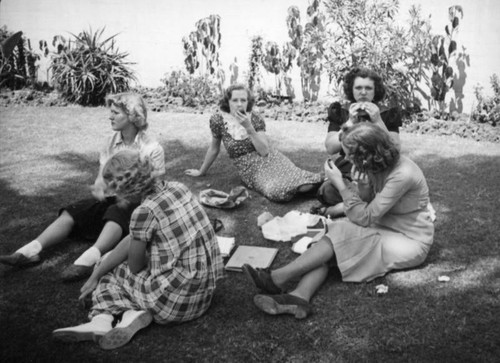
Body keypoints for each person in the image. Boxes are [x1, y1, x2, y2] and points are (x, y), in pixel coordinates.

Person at [243, 122, 434, 319]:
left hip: (409, 239)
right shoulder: (376, 164)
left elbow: (365, 216)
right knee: (333, 238)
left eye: (350, 155)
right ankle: (298, 297)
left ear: (368, 154)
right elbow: (366, 202)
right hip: (383, 225)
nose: (346, 159)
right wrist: (362, 183)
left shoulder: (403, 174)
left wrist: (340, 184)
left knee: (340, 234)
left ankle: (276, 278)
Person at [52, 150, 224, 350]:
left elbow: (134, 266)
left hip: (173, 305)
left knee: (109, 265)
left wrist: (97, 274)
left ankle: (101, 319)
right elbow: (133, 237)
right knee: (112, 261)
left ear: (125, 190)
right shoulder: (180, 188)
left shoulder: (144, 212)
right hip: (203, 297)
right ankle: (130, 316)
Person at [0, 93, 165, 282]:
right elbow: (102, 177)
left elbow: (156, 189)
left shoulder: (152, 147)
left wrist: (125, 196)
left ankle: (89, 259)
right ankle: (31, 251)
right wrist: (100, 187)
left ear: (132, 116)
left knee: (117, 211)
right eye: (110, 112)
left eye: (115, 113)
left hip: (141, 204)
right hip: (117, 196)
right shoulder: (110, 142)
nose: (109, 116)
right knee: (74, 211)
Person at [184, 84, 323, 202]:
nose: (239, 104)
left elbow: (264, 151)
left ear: (248, 102)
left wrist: (248, 127)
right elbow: (214, 148)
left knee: (300, 181)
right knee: (275, 191)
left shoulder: (255, 118)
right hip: (249, 169)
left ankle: (320, 184)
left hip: (270, 159)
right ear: (228, 102)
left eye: (243, 100)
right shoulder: (218, 120)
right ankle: (314, 188)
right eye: (235, 100)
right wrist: (201, 171)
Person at [314, 67, 402, 217]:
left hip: (378, 170)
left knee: (386, 188)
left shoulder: (387, 113)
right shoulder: (341, 111)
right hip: (349, 169)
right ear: (351, 90)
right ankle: (365, 201)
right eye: (358, 88)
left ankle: (344, 206)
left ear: (375, 91)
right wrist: (349, 122)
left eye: (368, 88)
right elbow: (330, 148)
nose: (363, 92)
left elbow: (396, 149)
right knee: (326, 190)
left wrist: (378, 120)